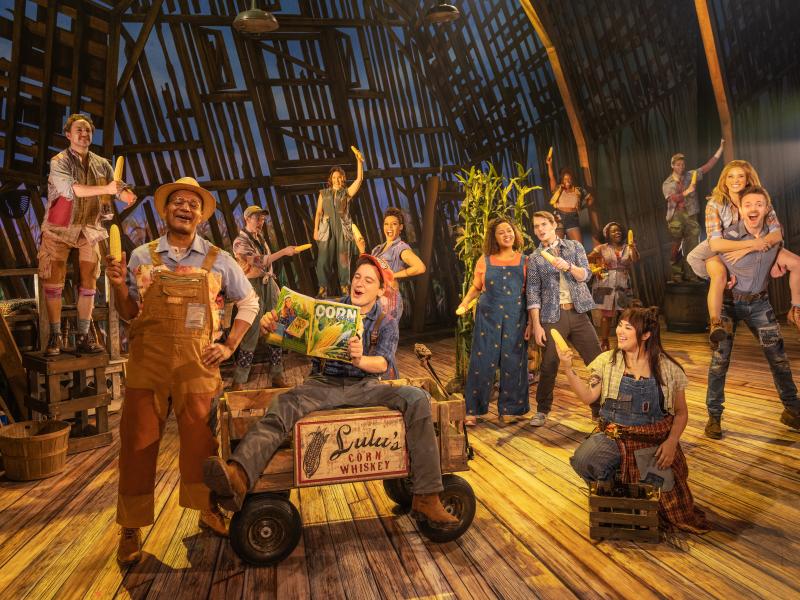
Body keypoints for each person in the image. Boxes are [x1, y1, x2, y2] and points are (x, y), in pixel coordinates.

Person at [202, 255, 459, 530]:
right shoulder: (327, 309)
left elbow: (383, 363)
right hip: (323, 384)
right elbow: (291, 334)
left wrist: (360, 359)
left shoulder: (386, 321)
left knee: (417, 398)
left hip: (365, 386)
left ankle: (427, 496)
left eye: (368, 280)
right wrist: (271, 327)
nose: (360, 283)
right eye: (357, 277)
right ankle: (239, 475)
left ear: (380, 290)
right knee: (283, 403)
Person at [105, 177, 260, 565]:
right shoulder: (140, 257)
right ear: (165, 210)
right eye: (178, 202)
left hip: (197, 364)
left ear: (201, 215)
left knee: (201, 444)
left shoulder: (218, 259)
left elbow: (250, 302)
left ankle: (206, 509)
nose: (185, 208)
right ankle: (130, 527)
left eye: (193, 204)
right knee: (137, 444)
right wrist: (118, 286)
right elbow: (128, 313)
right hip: (148, 363)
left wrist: (229, 345)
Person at [560, 307, 709, 534]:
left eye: (628, 328)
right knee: (585, 460)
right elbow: (588, 396)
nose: (619, 331)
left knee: (663, 498)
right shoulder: (607, 362)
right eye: (620, 325)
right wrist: (568, 368)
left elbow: (681, 413)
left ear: (646, 334)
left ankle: (631, 495)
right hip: (613, 435)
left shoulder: (668, 369)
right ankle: (614, 493)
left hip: (651, 440)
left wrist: (671, 443)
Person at [703, 185, 800, 438]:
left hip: (759, 304)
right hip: (728, 305)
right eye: (748, 204)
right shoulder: (728, 236)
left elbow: (794, 263)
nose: (753, 208)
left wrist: (796, 304)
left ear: (767, 208)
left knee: (778, 358)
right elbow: (705, 261)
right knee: (719, 362)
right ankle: (714, 417)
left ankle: (792, 410)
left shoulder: (773, 238)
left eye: (759, 204)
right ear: (741, 209)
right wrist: (721, 276)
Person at [40, 113, 136, 355]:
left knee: (89, 281)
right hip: (59, 229)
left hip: (89, 229)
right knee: (54, 281)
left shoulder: (102, 164)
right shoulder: (59, 162)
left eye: (88, 130)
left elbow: (116, 187)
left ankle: (84, 335)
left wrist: (125, 194)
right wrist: (108, 188)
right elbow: (72, 190)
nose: (84, 134)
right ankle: (55, 336)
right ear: (68, 134)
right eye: (79, 130)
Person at [687, 160, 800, 343]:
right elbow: (716, 244)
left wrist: (769, 257)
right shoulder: (715, 204)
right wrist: (751, 246)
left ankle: (796, 308)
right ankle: (715, 322)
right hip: (725, 243)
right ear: (724, 181)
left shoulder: (758, 197)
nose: (735, 180)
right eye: (730, 176)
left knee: (796, 263)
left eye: (740, 176)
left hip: (757, 242)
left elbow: (777, 232)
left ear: (748, 179)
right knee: (713, 271)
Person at [526, 211, 602, 426]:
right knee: (549, 364)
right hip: (552, 316)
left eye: (543, 224)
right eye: (536, 226)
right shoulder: (535, 258)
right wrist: (537, 325)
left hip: (578, 313)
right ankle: (542, 410)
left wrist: (568, 266)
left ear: (554, 225)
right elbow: (533, 293)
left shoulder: (574, 247)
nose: (540, 229)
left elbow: (586, 275)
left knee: (596, 361)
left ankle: (599, 408)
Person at [457, 217, 529, 426]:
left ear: (515, 233)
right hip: (488, 316)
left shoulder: (525, 261)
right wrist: (464, 303)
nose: (507, 234)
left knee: (514, 360)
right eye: (501, 232)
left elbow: (530, 294)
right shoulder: (485, 260)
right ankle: (473, 409)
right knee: (482, 361)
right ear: (494, 238)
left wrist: (532, 324)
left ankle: (510, 409)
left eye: (509, 230)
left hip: (516, 317)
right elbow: (476, 287)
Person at [231, 205, 297, 390]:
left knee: (276, 327)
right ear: (247, 219)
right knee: (251, 331)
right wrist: (283, 252)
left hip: (268, 285)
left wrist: (275, 287)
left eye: (262, 219)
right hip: (252, 288)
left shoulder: (260, 239)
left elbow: (266, 267)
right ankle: (239, 379)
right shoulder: (240, 242)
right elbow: (258, 261)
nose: (260, 222)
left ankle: (277, 374)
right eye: (257, 218)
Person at [662, 140, 724, 282]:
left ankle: (691, 274)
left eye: (683, 164)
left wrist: (720, 149)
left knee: (693, 244)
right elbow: (672, 198)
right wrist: (687, 191)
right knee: (676, 245)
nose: (681, 167)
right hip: (676, 216)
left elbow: (708, 166)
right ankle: (676, 274)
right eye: (678, 164)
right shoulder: (667, 183)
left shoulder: (691, 175)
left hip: (690, 214)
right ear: (672, 165)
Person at [314, 147, 365, 296]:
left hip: (343, 229)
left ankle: (345, 287)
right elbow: (318, 212)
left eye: (339, 177)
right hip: (327, 228)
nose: (336, 179)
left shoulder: (346, 193)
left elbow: (359, 180)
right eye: (334, 177)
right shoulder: (324, 193)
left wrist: (359, 162)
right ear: (331, 179)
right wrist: (315, 230)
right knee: (323, 259)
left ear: (343, 179)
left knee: (344, 259)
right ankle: (322, 288)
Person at [588, 222, 640, 351]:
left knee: (626, 313)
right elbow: (587, 258)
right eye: (613, 231)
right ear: (607, 235)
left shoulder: (628, 247)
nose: (617, 233)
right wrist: (596, 266)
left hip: (622, 283)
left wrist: (632, 248)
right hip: (605, 283)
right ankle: (604, 342)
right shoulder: (601, 248)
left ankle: (627, 341)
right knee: (606, 315)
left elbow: (635, 260)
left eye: (619, 230)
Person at [370, 207, 426, 321]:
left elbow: (420, 267)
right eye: (386, 224)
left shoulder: (400, 248)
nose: (389, 227)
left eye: (394, 224)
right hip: (374, 300)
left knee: (385, 332)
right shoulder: (377, 249)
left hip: (389, 301)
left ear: (400, 227)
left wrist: (393, 275)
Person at [546, 151, 599, 244]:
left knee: (578, 246)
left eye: (569, 179)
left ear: (572, 179)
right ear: (562, 180)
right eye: (565, 179)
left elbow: (591, 199)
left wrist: (582, 207)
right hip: (559, 217)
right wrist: (549, 165)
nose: (568, 181)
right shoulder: (559, 189)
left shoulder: (579, 190)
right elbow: (551, 177)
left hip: (572, 218)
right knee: (557, 246)